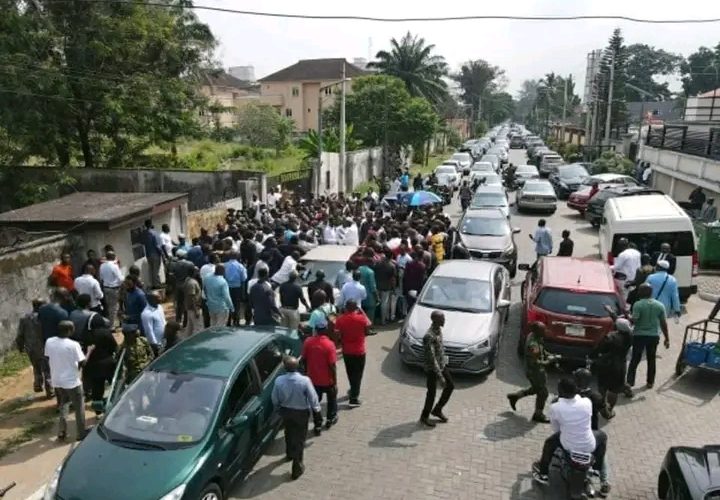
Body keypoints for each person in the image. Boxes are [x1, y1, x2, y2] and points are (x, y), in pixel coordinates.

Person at [532, 378, 609, 496]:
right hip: (589, 444)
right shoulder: (587, 402)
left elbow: (556, 429)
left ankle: (543, 473)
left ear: (561, 391)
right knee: (603, 436)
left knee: (549, 443)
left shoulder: (555, 407)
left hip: (568, 444)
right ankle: (597, 468)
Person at [271, 356, 321, 480]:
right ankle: (297, 467)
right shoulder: (305, 381)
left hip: (286, 411)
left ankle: (289, 453)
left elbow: (274, 398)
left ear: (284, 367)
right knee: (300, 438)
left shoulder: (279, 380)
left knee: (288, 432)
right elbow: (313, 397)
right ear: (298, 367)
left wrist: (278, 408)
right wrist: (317, 411)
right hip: (301, 413)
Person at [45, 321, 86, 441]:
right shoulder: (73, 344)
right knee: (79, 407)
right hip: (72, 381)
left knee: (64, 404)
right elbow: (83, 362)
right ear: (69, 330)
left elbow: (48, 356)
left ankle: (62, 430)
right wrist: (89, 351)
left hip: (57, 380)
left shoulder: (49, 341)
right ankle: (81, 433)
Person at [507, 321, 554, 423]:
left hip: (538, 371)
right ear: (538, 332)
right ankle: (538, 414)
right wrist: (549, 361)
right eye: (543, 330)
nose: (545, 331)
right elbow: (535, 362)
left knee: (537, 389)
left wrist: (549, 354)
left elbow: (542, 350)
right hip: (534, 371)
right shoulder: (533, 345)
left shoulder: (535, 336)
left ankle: (515, 396)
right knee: (543, 392)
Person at [626, 283, 669, 389]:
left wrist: (628, 316)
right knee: (651, 359)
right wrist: (667, 338)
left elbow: (634, 321)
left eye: (639, 290)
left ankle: (630, 383)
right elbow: (663, 323)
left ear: (641, 292)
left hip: (639, 336)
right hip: (653, 336)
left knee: (635, 359)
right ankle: (650, 382)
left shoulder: (638, 304)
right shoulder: (659, 305)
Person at [302, 320, 338, 432]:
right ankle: (330, 419)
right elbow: (332, 365)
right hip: (328, 380)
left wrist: (307, 372)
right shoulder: (329, 344)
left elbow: (304, 359)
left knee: (315, 402)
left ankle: (317, 424)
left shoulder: (308, 342)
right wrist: (335, 381)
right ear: (326, 329)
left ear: (316, 330)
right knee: (332, 400)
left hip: (313, 379)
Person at [419, 310, 453, 427]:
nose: (444, 320)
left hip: (441, 364)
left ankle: (437, 409)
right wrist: (440, 377)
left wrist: (445, 361)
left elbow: (440, 349)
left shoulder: (438, 330)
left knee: (450, 386)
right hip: (432, 369)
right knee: (431, 393)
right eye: (442, 319)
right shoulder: (429, 336)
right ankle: (424, 416)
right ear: (435, 320)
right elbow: (431, 358)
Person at [335, 299, 372, 407]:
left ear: (345, 307)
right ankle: (354, 399)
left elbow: (337, 336)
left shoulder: (340, 320)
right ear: (356, 308)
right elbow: (368, 329)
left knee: (351, 374)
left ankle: (352, 390)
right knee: (358, 375)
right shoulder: (361, 318)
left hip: (347, 351)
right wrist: (362, 312)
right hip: (359, 351)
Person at [594, 313, 634, 405]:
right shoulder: (630, 336)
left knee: (602, 387)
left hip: (606, 365)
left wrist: (594, 356)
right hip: (620, 365)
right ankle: (610, 408)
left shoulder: (610, 337)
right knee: (614, 390)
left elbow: (599, 349)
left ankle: (602, 405)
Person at [16, 299, 50, 394]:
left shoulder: (24, 318)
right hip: (44, 347)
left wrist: (20, 346)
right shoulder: (44, 317)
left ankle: (38, 384)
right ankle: (50, 388)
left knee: (36, 366)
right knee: (47, 368)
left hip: (30, 348)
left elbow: (20, 335)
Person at [83, 321, 117, 414]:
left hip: (94, 366)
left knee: (97, 389)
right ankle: (116, 405)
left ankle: (98, 412)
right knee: (114, 384)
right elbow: (114, 346)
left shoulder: (87, 334)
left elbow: (84, 350)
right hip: (108, 363)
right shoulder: (106, 332)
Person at [99, 251, 124, 329]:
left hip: (106, 288)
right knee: (115, 307)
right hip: (114, 288)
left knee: (110, 307)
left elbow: (101, 278)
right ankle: (112, 326)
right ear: (113, 257)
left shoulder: (102, 266)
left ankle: (119, 323)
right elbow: (120, 278)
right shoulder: (114, 266)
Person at [224, 252, 247, 327]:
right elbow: (244, 279)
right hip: (237, 288)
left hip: (226, 287)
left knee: (227, 304)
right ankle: (236, 321)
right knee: (236, 305)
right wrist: (243, 292)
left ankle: (228, 321)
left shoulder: (225, 265)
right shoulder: (240, 266)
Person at [142, 219, 167, 288]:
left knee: (151, 270)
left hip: (148, 254)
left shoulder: (144, 233)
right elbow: (157, 245)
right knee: (156, 270)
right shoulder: (154, 233)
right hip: (155, 254)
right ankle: (157, 284)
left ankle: (152, 284)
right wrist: (162, 254)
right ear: (150, 224)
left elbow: (142, 242)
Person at [374, 253, 398, 324]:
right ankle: (383, 320)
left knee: (377, 302)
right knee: (384, 304)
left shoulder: (377, 264)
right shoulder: (391, 266)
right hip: (386, 287)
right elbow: (393, 279)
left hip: (377, 286)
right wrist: (393, 288)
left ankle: (375, 318)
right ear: (391, 257)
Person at [141, 291, 166, 356]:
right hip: (157, 343)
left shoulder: (160, 307)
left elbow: (163, 321)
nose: (160, 298)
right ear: (151, 299)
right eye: (158, 297)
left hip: (164, 339)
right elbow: (149, 331)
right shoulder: (146, 314)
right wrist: (154, 344)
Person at [184, 267, 203, 336]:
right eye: (197, 271)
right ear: (193, 273)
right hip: (194, 308)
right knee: (198, 327)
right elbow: (192, 297)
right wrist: (196, 310)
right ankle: (197, 343)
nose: (198, 273)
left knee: (190, 327)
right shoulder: (192, 283)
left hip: (189, 308)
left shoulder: (187, 280)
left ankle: (186, 341)